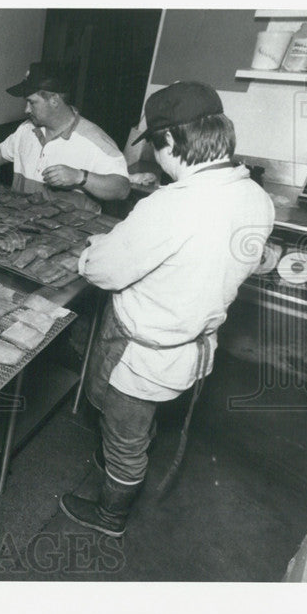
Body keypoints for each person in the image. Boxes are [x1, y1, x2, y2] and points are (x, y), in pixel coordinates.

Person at [59, 81, 274, 537]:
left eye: (156, 146)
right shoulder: (255, 196)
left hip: (142, 353)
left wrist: (96, 250)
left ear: (172, 140)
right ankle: (120, 464)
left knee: (125, 439)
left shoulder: (171, 206)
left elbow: (105, 272)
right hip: (194, 346)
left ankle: (109, 517)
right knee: (140, 425)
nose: (155, 158)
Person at [0, 63, 130, 209]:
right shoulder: (27, 129)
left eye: (31, 103)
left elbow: (122, 189)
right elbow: (2, 152)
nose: (26, 110)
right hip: (23, 221)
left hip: (67, 236)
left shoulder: (94, 140)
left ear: (54, 100)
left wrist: (79, 177)